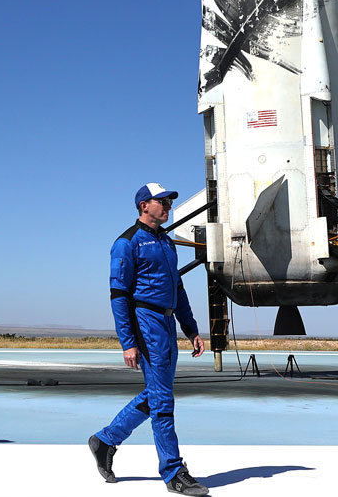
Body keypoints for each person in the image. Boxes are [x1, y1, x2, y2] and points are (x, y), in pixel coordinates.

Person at [89, 184, 210, 496]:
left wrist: (191, 328)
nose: (168, 205)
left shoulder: (167, 242)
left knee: (158, 394)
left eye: (170, 200)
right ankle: (173, 471)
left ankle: (105, 440)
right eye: (163, 200)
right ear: (144, 205)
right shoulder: (127, 243)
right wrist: (127, 342)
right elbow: (118, 296)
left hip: (168, 321)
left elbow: (179, 289)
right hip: (146, 322)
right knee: (163, 400)